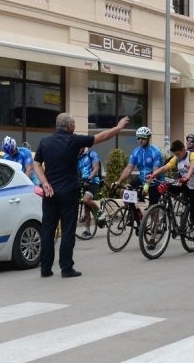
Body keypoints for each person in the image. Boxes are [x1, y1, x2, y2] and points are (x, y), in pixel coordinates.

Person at [33, 113, 130, 278]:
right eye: (74, 124)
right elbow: (100, 137)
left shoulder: (45, 142)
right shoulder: (74, 140)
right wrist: (118, 128)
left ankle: (45, 269)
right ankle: (66, 268)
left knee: (48, 231)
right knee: (68, 231)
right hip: (68, 193)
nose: (75, 127)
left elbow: (36, 164)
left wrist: (44, 182)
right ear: (69, 126)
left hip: (50, 194)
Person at [146, 140, 194, 255]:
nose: (176, 156)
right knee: (165, 188)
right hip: (184, 183)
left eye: (178, 154)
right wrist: (153, 175)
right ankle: (167, 210)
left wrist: (187, 177)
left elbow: (193, 167)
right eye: (175, 155)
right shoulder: (177, 158)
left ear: (183, 150)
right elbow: (165, 167)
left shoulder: (193, 155)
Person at [115, 126, 164, 205]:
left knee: (152, 208)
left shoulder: (155, 151)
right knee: (124, 191)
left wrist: (146, 187)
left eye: (143, 138)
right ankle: (134, 214)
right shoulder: (136, 151)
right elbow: (129, 168)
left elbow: (155, 172)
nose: (140, 140)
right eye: (138, 138)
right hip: (142, 179)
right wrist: (118, 182)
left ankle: (153, 214)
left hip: (155, 182)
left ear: (148, 138)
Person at [77, 146, 105, 236]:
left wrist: (88, 179)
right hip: (84, 182)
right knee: (86, 208)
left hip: (93, 181)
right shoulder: (78, 157)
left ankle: (100, 212)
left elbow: (95, 168)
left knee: (86, 200)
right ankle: (87, 231)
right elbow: (77, 172)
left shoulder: (92, 154)